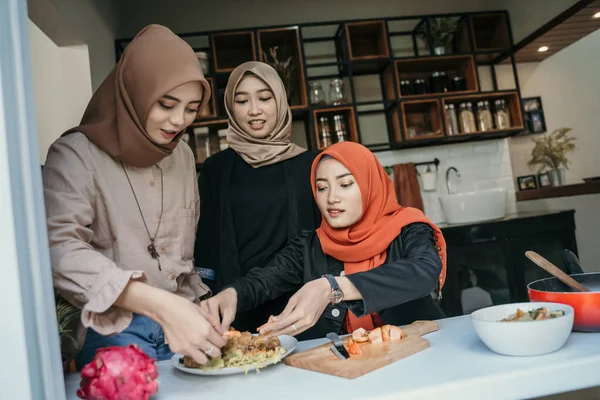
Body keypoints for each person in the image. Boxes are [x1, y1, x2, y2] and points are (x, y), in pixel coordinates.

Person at [43, 24, 225, 369]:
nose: (178, 121)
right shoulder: (75, 155)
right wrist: (154, 303)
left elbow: (182, 260)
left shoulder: (183, 156)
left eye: (191, 108)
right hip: (112, 326)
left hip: (185, 318)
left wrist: (200, 305)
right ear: (134, 92)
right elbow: (59, 248)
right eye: (167, 104)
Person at [203, 142, 447, 339]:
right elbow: (264, 280)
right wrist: (231, 295)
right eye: (321, 188)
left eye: (345, 184)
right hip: (346, 373)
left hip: (420, 358)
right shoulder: (310, 246)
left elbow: (424, 271)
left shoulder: (408, 228)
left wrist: (333, 287)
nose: (332, 198)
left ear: (370, 185)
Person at [194, 61, 320, 333]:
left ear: (281, 102)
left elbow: (322, 238)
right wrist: (207, 299)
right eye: (242, 101)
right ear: (230, 107)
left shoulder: (310, 165)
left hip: (299, 304)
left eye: (265, 98)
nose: (254, 110)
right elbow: (205, 243)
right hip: (234, 307)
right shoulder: (216, 169)